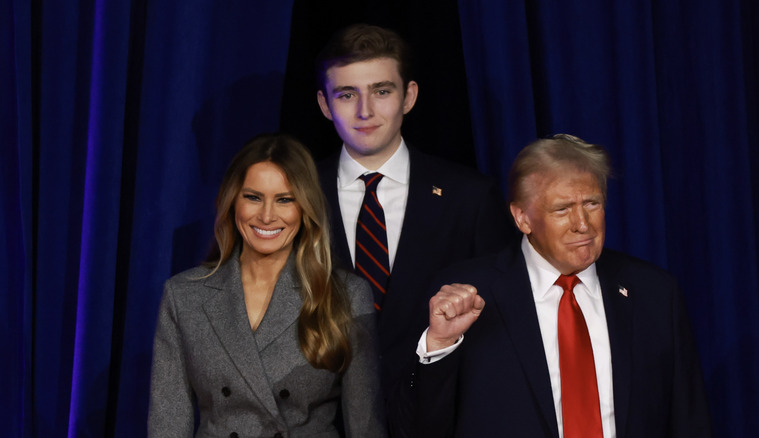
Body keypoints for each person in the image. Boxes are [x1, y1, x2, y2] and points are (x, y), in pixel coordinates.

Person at [393, 134, 711, 437]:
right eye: (562, 209)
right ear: (522, 218)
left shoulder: (654, 293)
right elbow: (421, 426)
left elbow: (689, 421)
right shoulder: (470, 295)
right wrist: (440, 345)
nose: (582, 224)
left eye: (592, 203)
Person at [314, 23, 515, 395]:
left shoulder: (468, 197)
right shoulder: (297, 194)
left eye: (381, 91)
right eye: (346, 94)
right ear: (325, 105)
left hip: (439, 415)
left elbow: (503, 323)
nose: (365, 111)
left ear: (409, 96)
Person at [148, 134, 387, 437]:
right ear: (233, 200)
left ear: (305, 207)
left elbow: (365, 427)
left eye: (285, 200)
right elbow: (167, 425)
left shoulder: (346, 294)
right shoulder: (183, 296)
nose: (267, 216)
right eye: (253, 197)